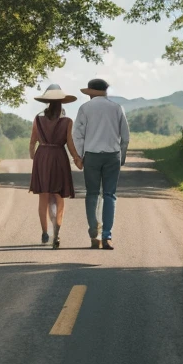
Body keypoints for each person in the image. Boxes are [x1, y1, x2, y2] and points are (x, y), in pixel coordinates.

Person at [72, 78, 130, 250]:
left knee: (92, 194)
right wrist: (122, 157)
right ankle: (107, 236)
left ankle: (93, 233)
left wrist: (79, 156)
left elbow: (78, 135)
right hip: (112, 156)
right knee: (110, 195)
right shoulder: (117, 108)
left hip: (91, 155)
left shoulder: (85, 109)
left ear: (90, 93)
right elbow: (125, 137)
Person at [29, 84, 83, 249]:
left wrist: (35, 158)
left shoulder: (38, 120)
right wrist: (77, 158)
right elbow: (70, 144)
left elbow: (32, 143)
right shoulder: (67, 121)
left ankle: (45, 233)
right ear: (62, 103)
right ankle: (57, 231)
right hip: (59, 157)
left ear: (47, 102)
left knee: (43, 197)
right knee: (59, 197)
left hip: (42, 156)